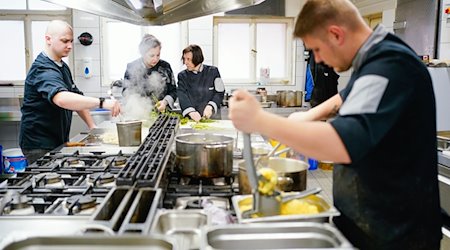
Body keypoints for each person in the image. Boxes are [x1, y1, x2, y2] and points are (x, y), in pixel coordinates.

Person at [228, 0, 442, 249]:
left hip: (396, 233)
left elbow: (342, 143)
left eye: (317, 50)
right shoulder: (374, 56)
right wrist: (306, 117)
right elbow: (345, 97)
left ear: (336, 34)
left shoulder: (391, 65)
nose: (319, 59)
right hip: (369, 222)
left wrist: (261, 121)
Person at [20, 20, 121, 164]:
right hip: (39, 143)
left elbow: (76, 98)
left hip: (56, 138)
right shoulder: (42, 69)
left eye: (71, 41)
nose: (69, 46)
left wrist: (92, 126)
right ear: (48, 39)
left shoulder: (62, 66)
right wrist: (102, 102)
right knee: (46, 182)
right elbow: (61, 98)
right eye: (64, 41)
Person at [123, 34, 177, 112]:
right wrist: (137, 104)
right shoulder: (132, 67)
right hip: (139, 113)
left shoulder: (165, 67)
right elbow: (126, 92)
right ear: (143, 54)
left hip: (162, 113)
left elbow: (173, 91)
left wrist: (165, 102)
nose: (155, 59)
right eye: (151, 56)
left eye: (158, 55)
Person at [177, 44, 225, 122]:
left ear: (197, 58)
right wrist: (191, 112)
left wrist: (210, 106)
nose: (185, 62)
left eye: (188, 59)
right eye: (184, 59)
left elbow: (220, 92)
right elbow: (182, 95)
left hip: (212, 119)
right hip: (192, 119)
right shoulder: (182, 76)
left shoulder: (213, 71)